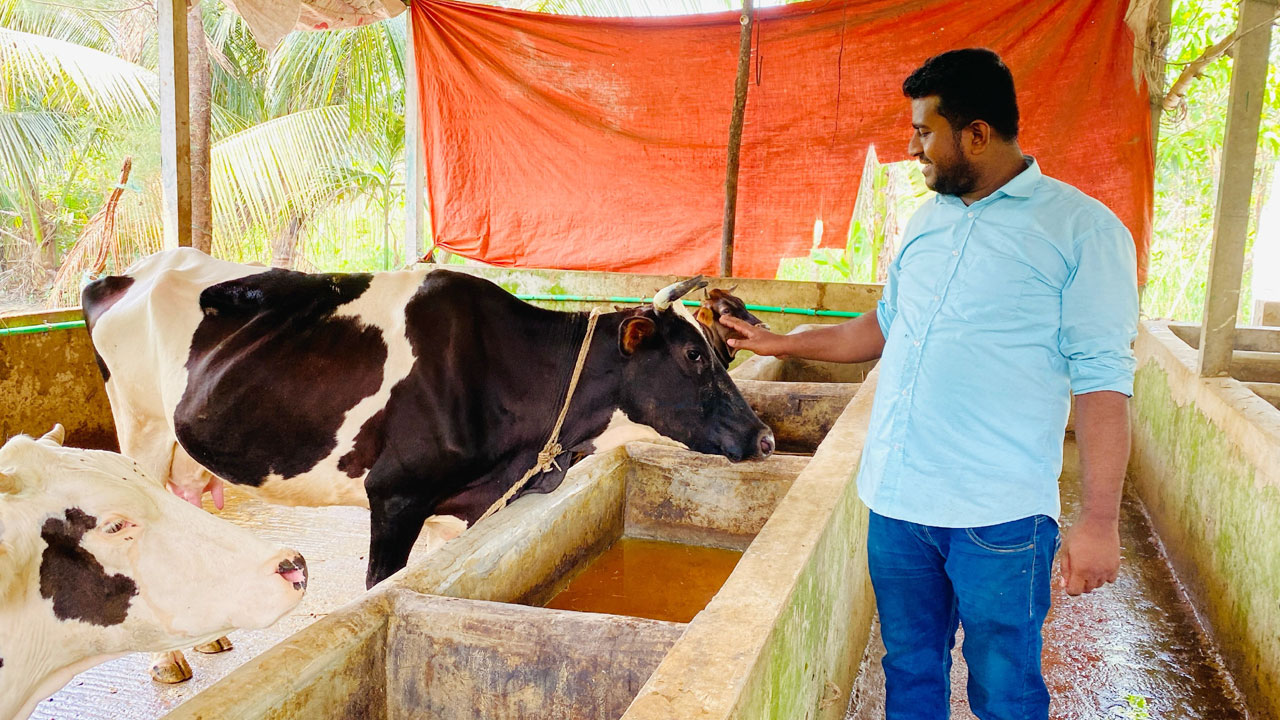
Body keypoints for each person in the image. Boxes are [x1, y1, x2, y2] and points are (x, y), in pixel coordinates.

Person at [721, 48, 1138, 720]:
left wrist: (1099, 522)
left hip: (998, 516)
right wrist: (781, 342)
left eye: (923, 132)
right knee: (910, 672)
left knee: (1004, 692)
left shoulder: (1082, 231)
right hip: (897, 502)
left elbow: (1102, 382)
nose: (912, 148)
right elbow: (882, 327)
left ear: (977, 134)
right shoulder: (928, 221)